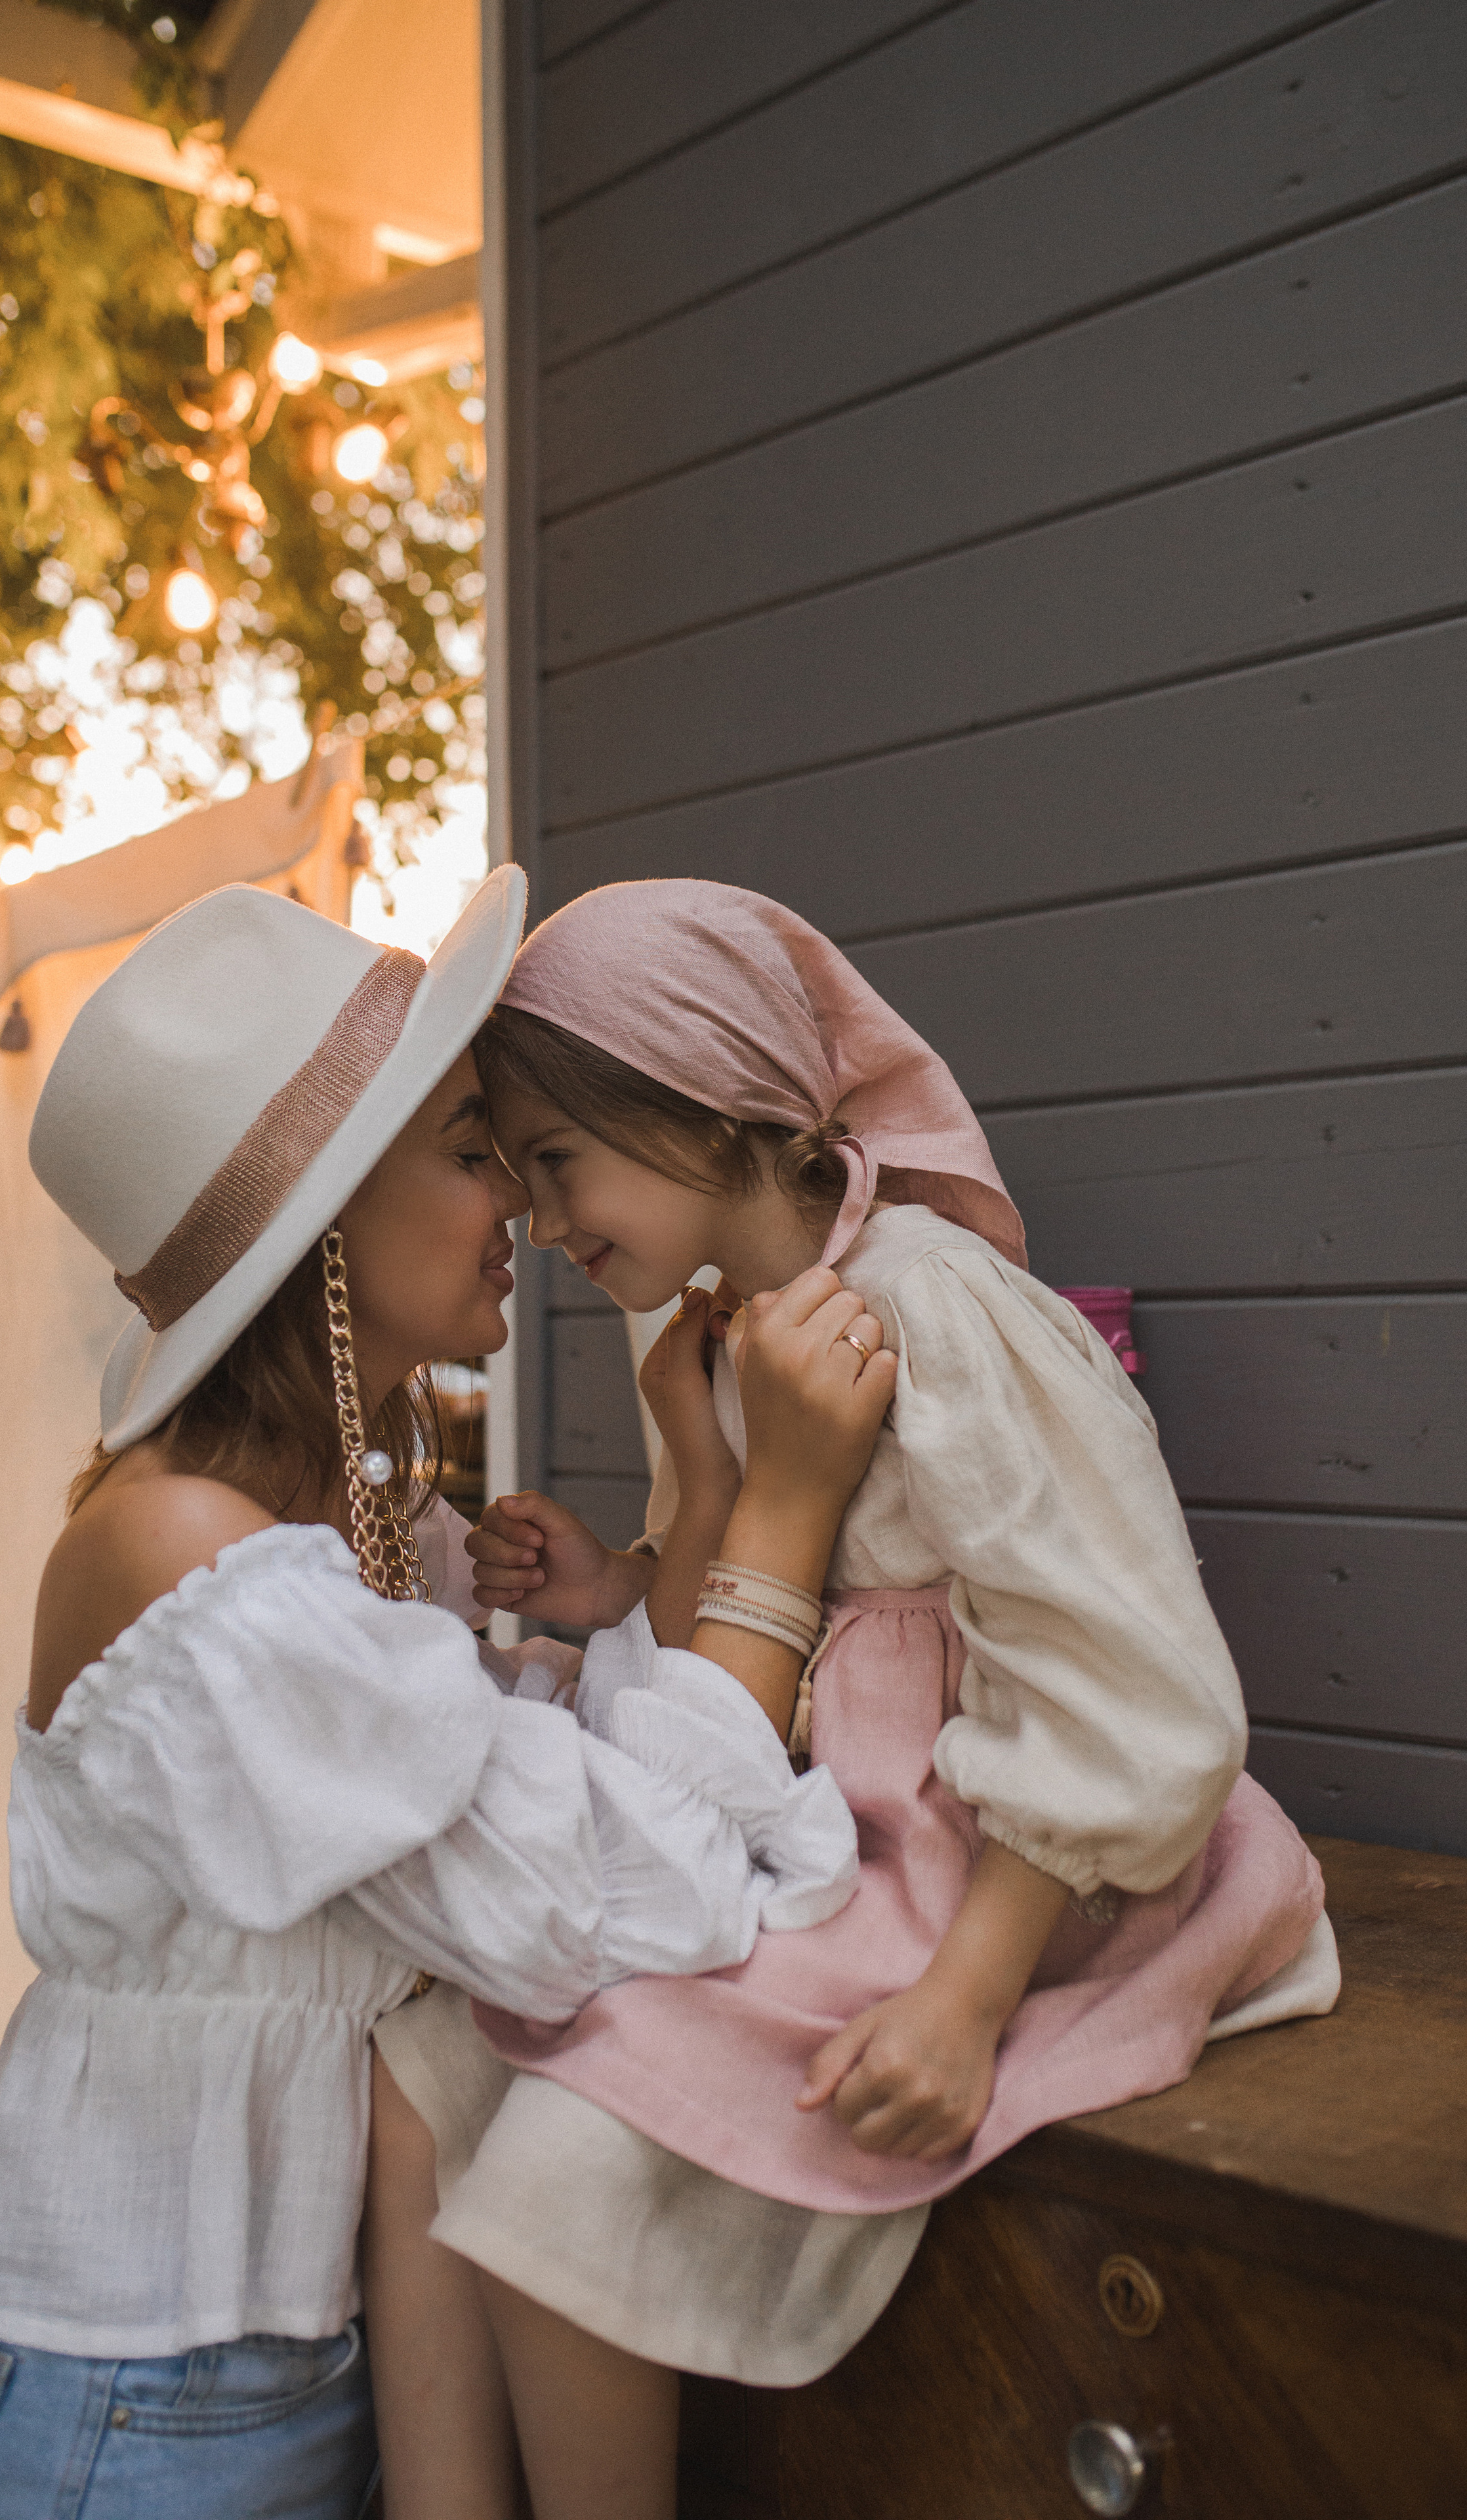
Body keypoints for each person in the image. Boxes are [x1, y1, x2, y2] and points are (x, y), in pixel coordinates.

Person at [0, 867, 896, 2520]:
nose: (520, 1207)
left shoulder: (379, 1547)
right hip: (95, 2429)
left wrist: (693, 1478)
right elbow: (621, 1895)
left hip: (264, 2404)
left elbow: (598, 1788)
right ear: (320, 1217)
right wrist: (785, 1521)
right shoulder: (190, 1559)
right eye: (470, 1151)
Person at [368, 875, 1341, 2507]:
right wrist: (645, 1537)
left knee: (560, 2168)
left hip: (995, 1871)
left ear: (704, 1101)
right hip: (822, 1833)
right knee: (430, 2071)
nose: (534, 1219)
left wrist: (961, 2004)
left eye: (554, 1159)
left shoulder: (936, 1308)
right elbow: (739, 1627)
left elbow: (1117, 1672)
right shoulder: (712, 1330)